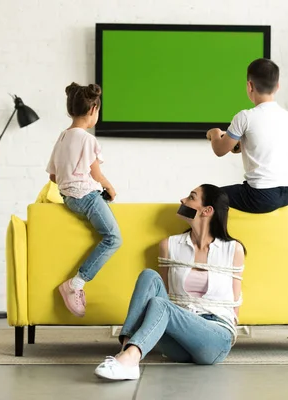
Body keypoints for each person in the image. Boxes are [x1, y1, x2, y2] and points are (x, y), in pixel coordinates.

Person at [94, 184, 245, 381]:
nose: (183, 201)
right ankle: (127, 353)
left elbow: (234, 304)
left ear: (207, 211)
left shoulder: (232, 250)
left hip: (214, 338)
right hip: (177, 340)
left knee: (160, 305)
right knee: (149, 276)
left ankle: (129, 358)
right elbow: (163, 294)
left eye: (191, 197)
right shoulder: (170, 245)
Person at [46, 82, 122, 318]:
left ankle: (76, 285)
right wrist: (109, 187)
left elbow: (53, 176)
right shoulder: (88, 140)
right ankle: (75, 284)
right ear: (93, 110)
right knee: (113, 238)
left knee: (105, 215)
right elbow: (96, 174)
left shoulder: (62, 137)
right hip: (85, 197)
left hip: (69, 198)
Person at [206, 58, 288, 214]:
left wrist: (214, 134)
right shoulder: (287, 116)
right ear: (277, 86)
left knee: (205, 196)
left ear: (250, 86)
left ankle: (208, 238)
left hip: (262, 195)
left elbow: (220, 150)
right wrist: (241, 146)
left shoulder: (245, 117)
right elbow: (266, 146)